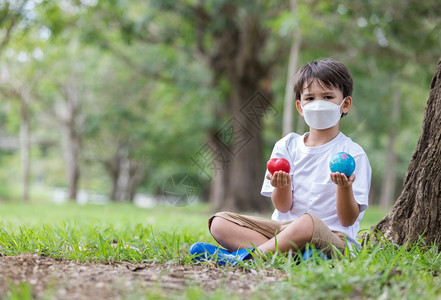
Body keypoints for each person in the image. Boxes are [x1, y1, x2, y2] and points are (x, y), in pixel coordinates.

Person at [189, 58, 372, 265]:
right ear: (300, 107)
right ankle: (296, 257)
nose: (318, 104)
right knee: (219, 222)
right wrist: (282, 186)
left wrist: (344, 187)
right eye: (310, 98)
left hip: (334, 238)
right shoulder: (287, 145)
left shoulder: (352, 153)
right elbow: (283, 207)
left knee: (307, 222)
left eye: (328, 96)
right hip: (283, 230)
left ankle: (248, 258)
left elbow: (348, 220)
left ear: (345, 104)